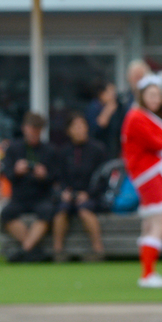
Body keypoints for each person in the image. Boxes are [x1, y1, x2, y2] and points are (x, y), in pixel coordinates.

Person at [121, 74, 162, 288]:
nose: (156, 99)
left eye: (159, 95)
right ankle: (148, 275)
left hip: (151, 174)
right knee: (160, 223)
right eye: (151, 94)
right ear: (142, 95)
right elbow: (158, 142)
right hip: (151, 175)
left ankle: (148, 272)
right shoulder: (137, 116)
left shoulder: (141, 115)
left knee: (150, 223)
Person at [0, 112, 57, 263]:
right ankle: (33, 251)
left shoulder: (49, 150)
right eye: (32, 129)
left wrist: (44, 175)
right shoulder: (13, 149)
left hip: (40, 196)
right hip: (20, 196)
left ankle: (24, 250)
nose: (34, 133)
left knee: (48, 211)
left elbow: (55, 177)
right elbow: (7, 173)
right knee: (6, 213)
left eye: (38, 130)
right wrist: (16, 171)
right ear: (24, 128)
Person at [52, 112, 108, 262]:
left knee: (84, 209)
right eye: (75, 127)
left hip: (91, 196)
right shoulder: (63, 151)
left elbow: (103, 177)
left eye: (82, 126)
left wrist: (88, 193)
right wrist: (65, 192)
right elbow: (59, 176)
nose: (79, 130)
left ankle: (98, 249)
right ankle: (58, 251)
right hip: (70, 195)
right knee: (61, 209)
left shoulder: (98, 149)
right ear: (68, 130)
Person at [84, 80, 121, 159]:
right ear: (101, 93)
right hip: (99, 149)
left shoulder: (118, 107)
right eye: (110, 92)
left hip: (113, 149)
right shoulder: (94, 107)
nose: (113, 95)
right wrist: (107, 111)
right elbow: (96, 128)